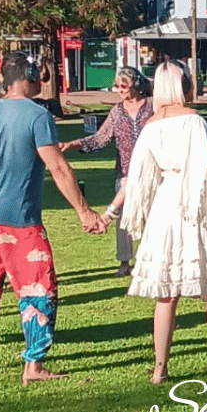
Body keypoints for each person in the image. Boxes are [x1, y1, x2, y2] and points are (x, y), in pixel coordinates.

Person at [96, 61, 207, 387]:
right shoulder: (193, 121)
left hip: (163, 209)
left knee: (166, 293)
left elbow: (134, 178)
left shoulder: (151, 126)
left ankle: (160, 369)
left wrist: (109, 213)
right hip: (192, 207)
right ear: (182, 85)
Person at [0, 51, 104, 385]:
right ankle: (34, 366)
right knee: (39, 288)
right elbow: (58, 167)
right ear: (29, 76)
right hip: (21, 221)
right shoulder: (38, 117)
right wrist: (84, 211)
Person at [59, 66, 153, 277]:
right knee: (124, 218)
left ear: (135, 84)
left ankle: (151, 259)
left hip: (152, 170)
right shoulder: (117, 112)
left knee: (152, 215)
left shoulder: (152, 106)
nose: (120, 90)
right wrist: (72, 144)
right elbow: (100, 139)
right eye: (117, 86)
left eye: (123, 85)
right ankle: (124, 261)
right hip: (126, 171)